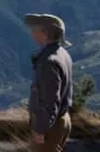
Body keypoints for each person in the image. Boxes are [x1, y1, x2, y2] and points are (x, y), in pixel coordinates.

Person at [25, 13, 74, 152]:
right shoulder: (63, 54)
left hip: (50, 127)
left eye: (35, 30)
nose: (32, 34)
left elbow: (50, 99)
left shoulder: (48, 62)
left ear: (45, 33)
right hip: (62, 119)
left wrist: (41, 129)